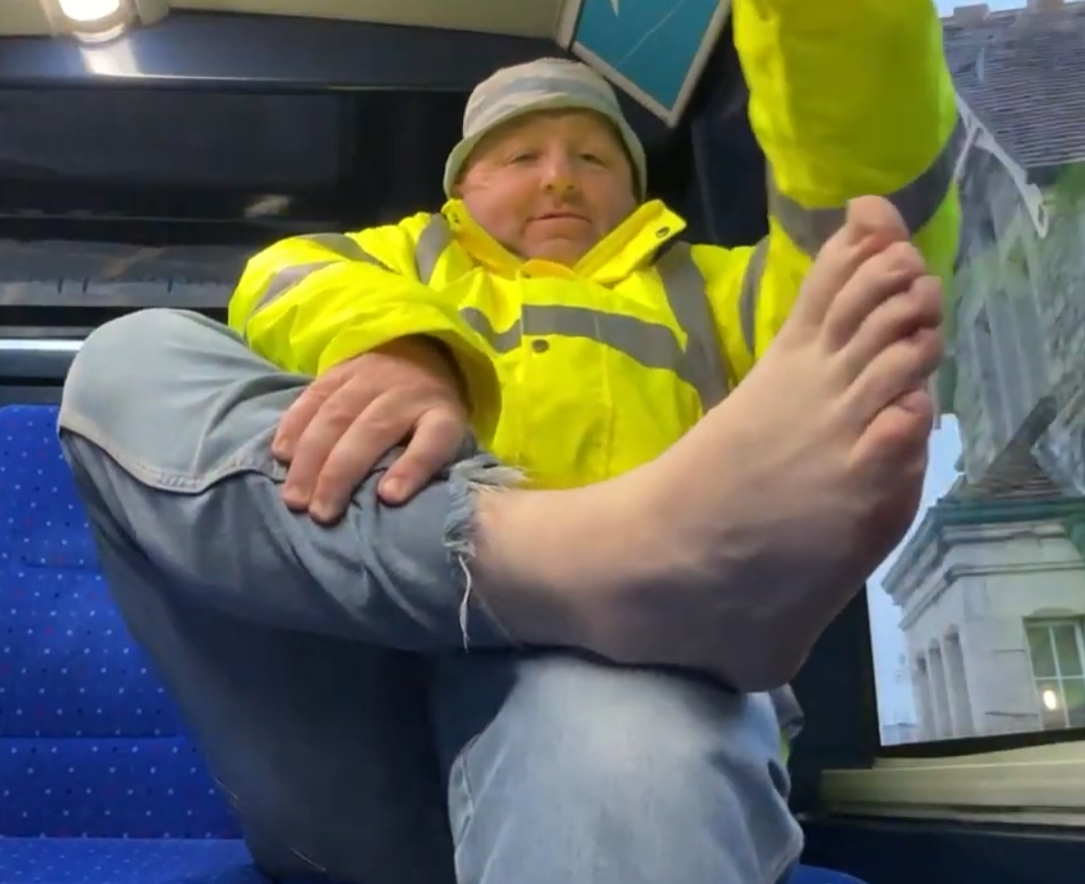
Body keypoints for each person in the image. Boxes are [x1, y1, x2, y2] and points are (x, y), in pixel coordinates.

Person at [57, 2, 961, 882]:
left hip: (627, 702)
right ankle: (589, 561)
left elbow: (861, 221)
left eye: (593, 157)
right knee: (124, 363)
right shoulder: (390, 261)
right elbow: (283, 278)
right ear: (462, 188)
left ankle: (620, 587)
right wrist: (405, 349)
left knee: (621, 747)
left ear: (636, 187)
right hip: (366, 736)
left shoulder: (717, 292)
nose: (559, 179)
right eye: (521, 156)